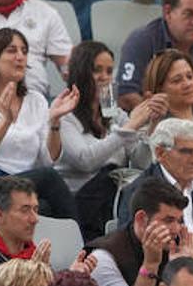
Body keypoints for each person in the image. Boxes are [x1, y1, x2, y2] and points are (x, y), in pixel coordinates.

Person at [0, 27, 78, 233]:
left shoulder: (36, 101)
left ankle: (70, 255)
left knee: (42, 208)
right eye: (12, 50)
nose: (20, 57)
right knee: (48, 180)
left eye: (24, 51)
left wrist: (54, 121)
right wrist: (6, 121)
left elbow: (48, 159)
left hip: (22, 192)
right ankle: (82, 248)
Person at [54, 40, 158, 237]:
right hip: (78, 202)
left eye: (109, 71)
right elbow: (86, 161)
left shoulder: (115, 114)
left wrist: (150, 126)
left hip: (115, 199)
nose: (104, 77)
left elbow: (141, 162)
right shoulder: (65, 115)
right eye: (97, 70)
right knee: (111, 174)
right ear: (81, 72)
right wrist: (129, 128)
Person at [87, 176, 190, 286]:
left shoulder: (177, 248)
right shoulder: (104, 256)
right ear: (141, 219)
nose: (176, 229)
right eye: (168, 220)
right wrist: (150, 266)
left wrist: (179, 270)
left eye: (179, 221)